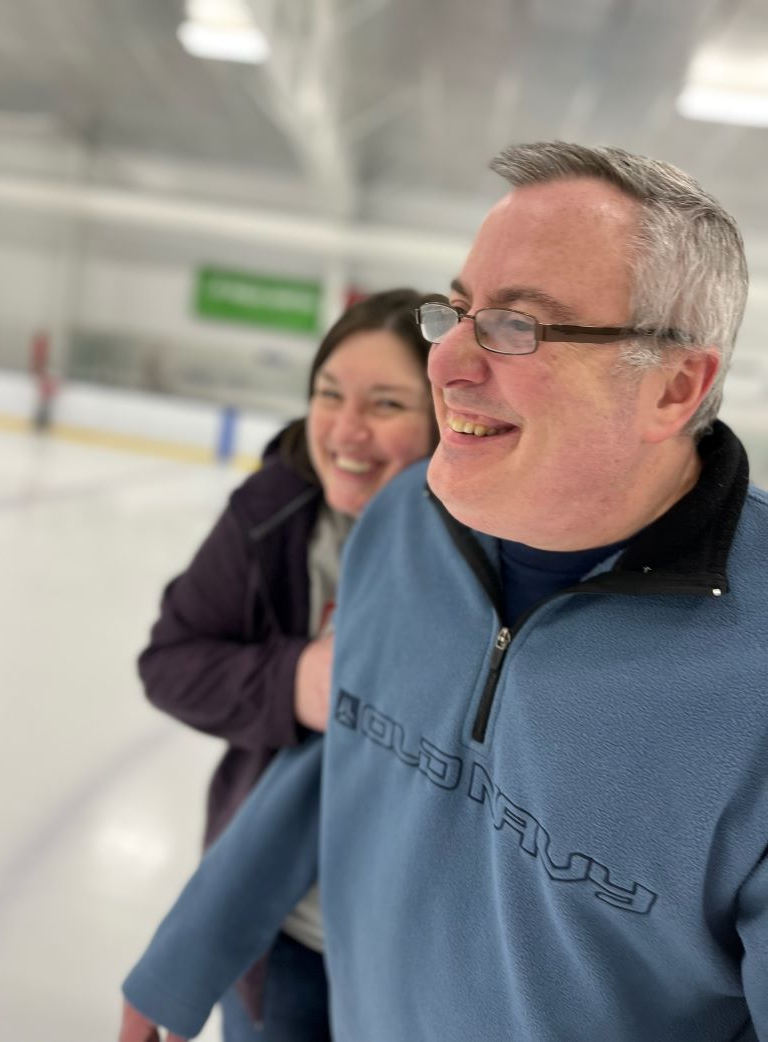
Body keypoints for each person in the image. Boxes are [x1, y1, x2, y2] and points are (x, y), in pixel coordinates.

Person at [121, 142, 768, 1041]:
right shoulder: (399, 524)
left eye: (517, 327)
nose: (449, 363)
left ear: (674, 386)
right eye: (457, 313)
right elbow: (352, 758)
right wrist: (188, 952)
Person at [125, 288, 437, 1042]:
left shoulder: (486, 553)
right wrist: (289, 682)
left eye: (387, 404)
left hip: (419, 946)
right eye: (329, 394)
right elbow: (172, 660)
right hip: (278, 928)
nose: (346, 429)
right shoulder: (271, 514)